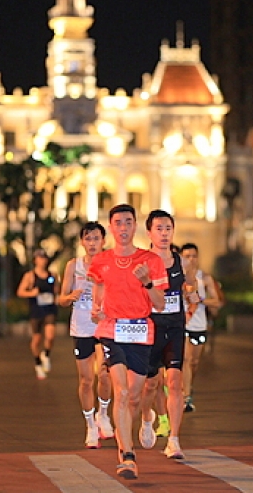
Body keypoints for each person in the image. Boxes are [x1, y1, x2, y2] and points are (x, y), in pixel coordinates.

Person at [88, 204, 167, 480]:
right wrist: (96, 308)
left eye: (128, 222)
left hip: (140, 332)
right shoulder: (101, 261)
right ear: (110, 227)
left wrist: (147, 283)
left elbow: (159, 304)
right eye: (118, 223)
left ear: (135, 226)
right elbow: (99, 285)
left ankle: (132, 432)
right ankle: (127, 455)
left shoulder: (151, 261)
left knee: (134, 395)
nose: (123, 228)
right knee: (120, 392)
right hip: (112, 330)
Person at [58, 222, 114, 449]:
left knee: (105, 374)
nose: (92, 243)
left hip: (104, 325)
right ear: (82, 242)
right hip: (81, 327)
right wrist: (72, 295)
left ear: (103, 241)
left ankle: (103, 413)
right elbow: (60, 299)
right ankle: (90, 425)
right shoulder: (74, 266)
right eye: (88, 239)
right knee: (86, 379)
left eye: (96, 238)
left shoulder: (111, 264)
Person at [137, 210, 188, 459]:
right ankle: (147, 417)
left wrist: (191, 293)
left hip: (176, 327)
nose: (164, 233)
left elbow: (185, 287)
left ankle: (174, 440)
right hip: (151, 328)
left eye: (168, 228)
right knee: (150, 385)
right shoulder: (143, 262)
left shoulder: (179, 261)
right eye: (159, 228)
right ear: (149, 233)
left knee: (175, 383)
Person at [180, 243, 223, 413]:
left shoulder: (204, 278)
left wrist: (200, 300)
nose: (191, 259)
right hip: (182, 325)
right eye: (187, 256)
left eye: (194, 256)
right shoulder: (177, 277)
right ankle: (185, 396)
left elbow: (217, 301)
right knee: (186, 360)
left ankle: (188, 386)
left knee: (194, 363)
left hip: (199, 325)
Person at [17, 249, 60, 379]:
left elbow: (57, 290)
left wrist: (58, 297)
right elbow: (20, 292)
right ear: (35, 260)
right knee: (36, 340)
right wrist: (32, 293)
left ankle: (46, 354)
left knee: (50, 336)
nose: (42, 261)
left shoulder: (52, 275)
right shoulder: (30, 276)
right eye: (40, 258)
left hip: (50, 309)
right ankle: (37, 363)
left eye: (44, 258)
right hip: (36, 310)